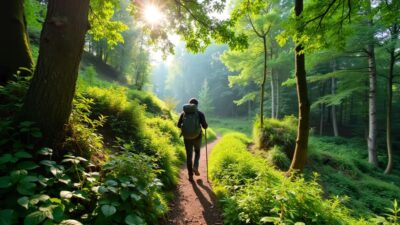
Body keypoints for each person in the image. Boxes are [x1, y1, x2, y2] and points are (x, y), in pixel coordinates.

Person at [177, 98, 208, 181]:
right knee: (197, 152)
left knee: (189, 156)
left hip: (187, 138)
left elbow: (178, 125)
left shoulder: (184, 113)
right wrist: (203, 125)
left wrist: (185, 127)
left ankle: (190, 176)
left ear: (189, 104)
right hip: (197, 137)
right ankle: (195, 167)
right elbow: (205, 126)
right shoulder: (200, 113)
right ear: (196, 105)